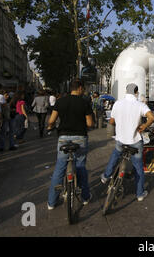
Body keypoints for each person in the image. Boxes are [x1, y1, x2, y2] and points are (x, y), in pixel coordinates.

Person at [100, 83, 154, 202]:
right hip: (135, 141)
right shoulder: (140, 105)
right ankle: (140, 194)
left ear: (126, 91)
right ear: (136, 92)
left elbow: (112, 121)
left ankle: (106, 176)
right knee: (139, 167)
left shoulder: (118, 103)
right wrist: (144, 126)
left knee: (115, 154)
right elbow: (152, 117)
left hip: (121, 140)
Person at [46, 79, 94, 210]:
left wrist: (50, 127)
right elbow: (89, 124)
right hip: (80, 138)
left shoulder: (60, 101)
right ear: (79, 88)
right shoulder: (84, 102)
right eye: (83, 88)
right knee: (80, 166)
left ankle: (51, 202)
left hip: (63, 138)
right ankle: (85, 197)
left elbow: (51, 120)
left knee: (60, 168)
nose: (83, 90)